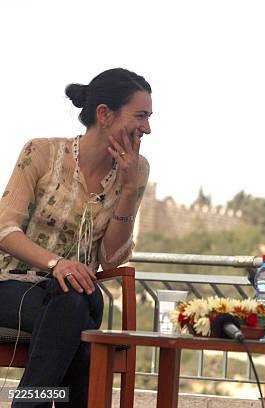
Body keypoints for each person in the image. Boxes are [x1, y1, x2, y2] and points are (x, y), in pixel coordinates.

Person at [0, 68, 152, 407]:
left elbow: (111, 258)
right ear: (104, 113)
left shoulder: (137, 171)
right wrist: (57, 264)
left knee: (72, 303)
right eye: (140, 116)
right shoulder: (40, 152)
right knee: (80, 334)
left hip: (80, 291)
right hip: (11, 285)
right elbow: (4, 230)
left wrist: (128, 189)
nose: (147, 128)